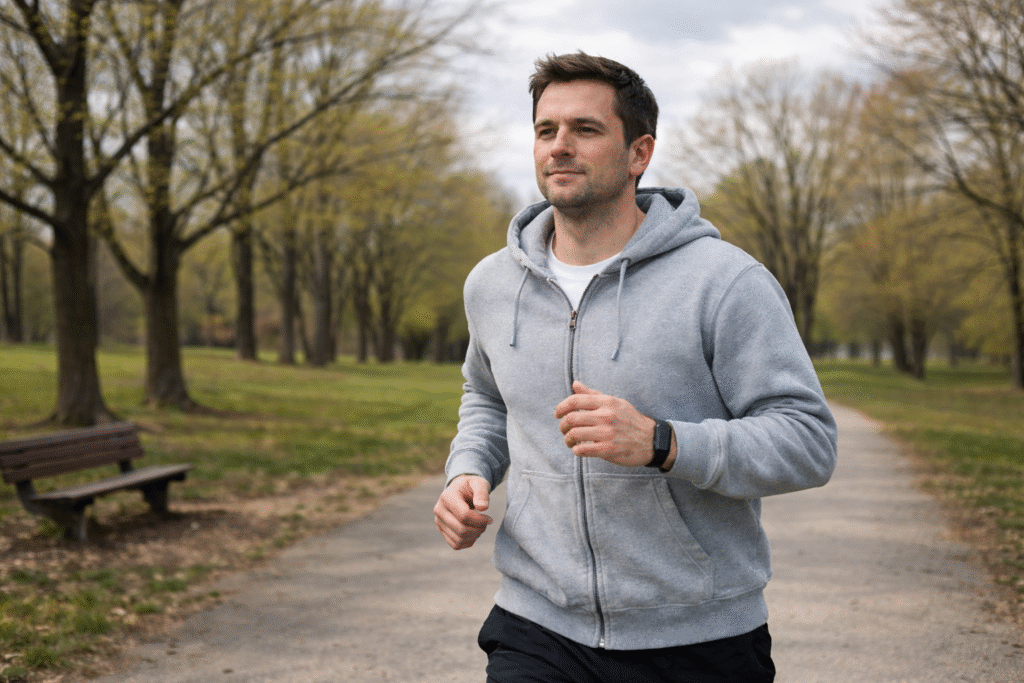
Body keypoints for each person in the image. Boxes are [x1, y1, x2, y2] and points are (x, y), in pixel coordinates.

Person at [433, 51, 838, 683]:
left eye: (585, 130)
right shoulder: (491, 284)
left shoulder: (725, 282)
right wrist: (468, 471)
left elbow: (808, 441)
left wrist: (663, 442)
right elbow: (486, 398)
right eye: (547, 130)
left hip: (697, 637)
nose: (560, 146)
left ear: (639, 153)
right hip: (536, 626)